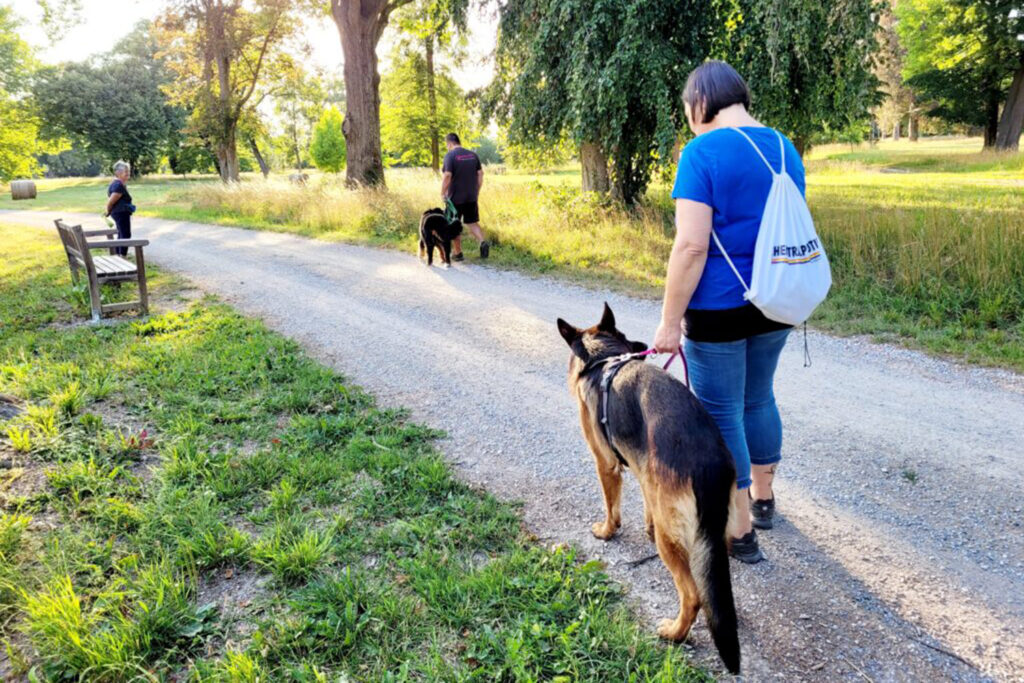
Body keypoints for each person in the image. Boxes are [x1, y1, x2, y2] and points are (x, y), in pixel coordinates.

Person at [652, 61, 805, 564]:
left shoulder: (701, 153)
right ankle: (764, 500)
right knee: (759, 398)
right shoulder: (785, 147)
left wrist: (670, 322)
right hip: (778, 297)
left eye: (687, 110)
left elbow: (692, 246)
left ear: (701, 102)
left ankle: (740, 533)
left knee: (722, 411)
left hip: (719, 305)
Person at [440, 133, 489, 260]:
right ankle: (483, 242)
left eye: (447, 145)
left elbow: (447, 175)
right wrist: (477, 190)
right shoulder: (473, 155)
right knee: (472, 222)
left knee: (454, 223)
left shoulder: (450, 156)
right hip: (471, 196)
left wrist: (442, 192)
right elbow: (480, 174)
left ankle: (458, 253)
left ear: (449, 143)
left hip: (455, 197)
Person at [104, 161, 135, 257]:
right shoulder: (118, 185)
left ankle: (118, 253)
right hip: (121, 213)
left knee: (121, 233)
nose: (128, 173)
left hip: (120, 212)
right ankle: (122, 255)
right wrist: (108, 211)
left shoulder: (117, 183)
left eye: (128, 171)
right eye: (126, 171)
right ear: (118, 173)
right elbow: (111, 201)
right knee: (125, 234)